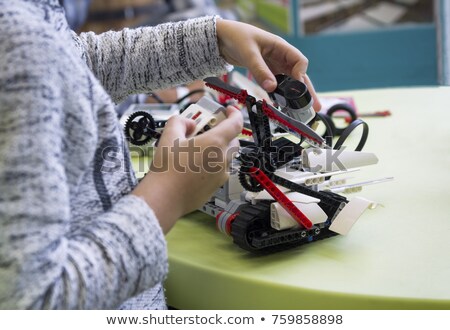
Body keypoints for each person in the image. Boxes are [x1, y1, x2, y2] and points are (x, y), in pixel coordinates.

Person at [0, 0, 320, 309]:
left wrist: (213, 41)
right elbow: (29, 303)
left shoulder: (24, 25)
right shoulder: (16, 40)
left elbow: (73, 62)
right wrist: (168, 195)